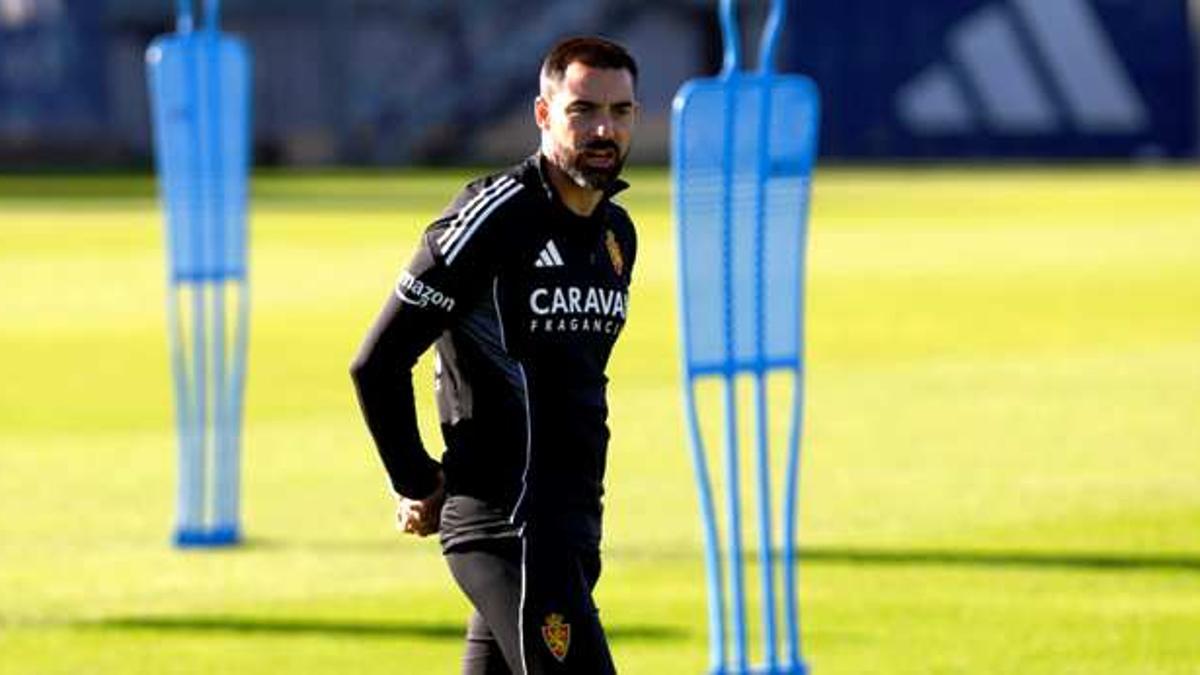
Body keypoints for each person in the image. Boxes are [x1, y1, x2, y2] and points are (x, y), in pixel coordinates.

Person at [350, 36, 640, 675]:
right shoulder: (494, 216)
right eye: (582, 109)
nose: (603, 128)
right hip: (505, 525)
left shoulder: (617, 235)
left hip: (572, 525)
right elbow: (377, 362)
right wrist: (417, 480)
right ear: (543, 114)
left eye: (620, 111)